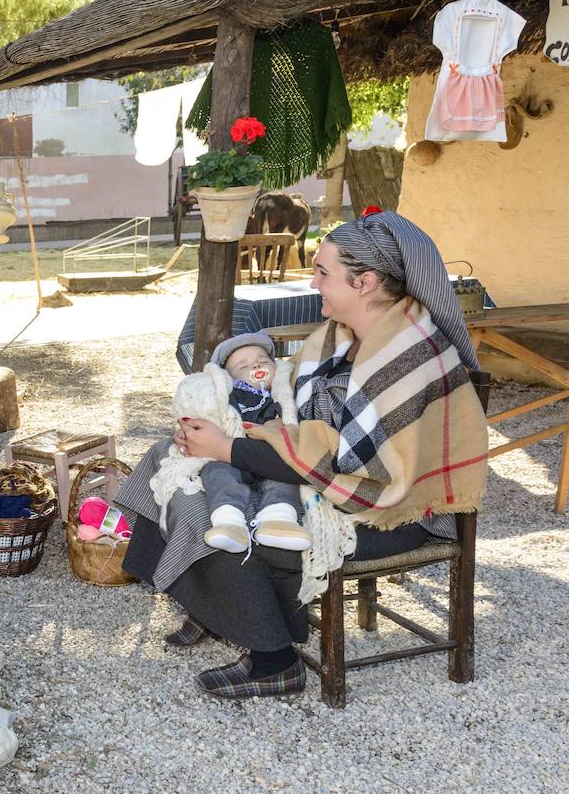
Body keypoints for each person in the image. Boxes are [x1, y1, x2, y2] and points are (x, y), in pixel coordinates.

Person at [115, 211, 488, 699]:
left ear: (366, 282)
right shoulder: (338, 336)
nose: (313, 282)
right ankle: (218, 607)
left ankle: (275, 661)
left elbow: (354, 467)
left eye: (323, 272)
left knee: (224, 518)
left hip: (386, 512)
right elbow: (298, 423)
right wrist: (221, 421)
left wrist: (227, 447)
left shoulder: (407, 354)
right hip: (323, 480)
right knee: (172, 458)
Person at [185, 332, 311, 554]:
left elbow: (298, 422)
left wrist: (284, 423)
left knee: (284, 478)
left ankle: (279, 519)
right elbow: (212, 418)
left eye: (262, 361)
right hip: (230, 455)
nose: (255, 367)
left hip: (270, 458)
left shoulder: (285, 393)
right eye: (243, 367)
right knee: (216, 472)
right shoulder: (228, 397)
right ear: (228, 379)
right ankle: (228, 522)